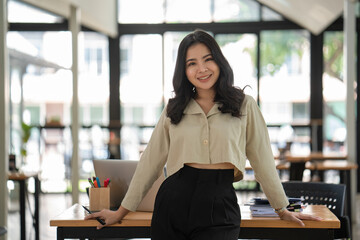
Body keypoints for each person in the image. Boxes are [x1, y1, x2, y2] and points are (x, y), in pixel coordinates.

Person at [85, 30, 322, 239]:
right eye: (192, 63)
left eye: (208, 60)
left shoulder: (244, 105)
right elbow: (150, 162)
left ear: (219, 62)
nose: (202, 69)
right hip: (172, 204)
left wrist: (283, 209)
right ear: (184, 70)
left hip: (220, 204)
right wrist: (121, 211)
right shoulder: (173, 109)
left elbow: (263, 162)